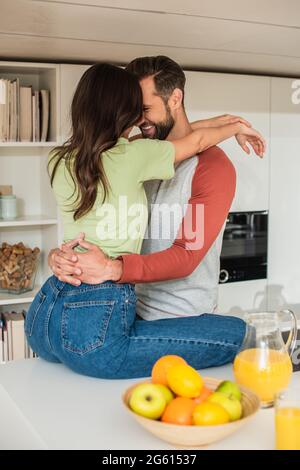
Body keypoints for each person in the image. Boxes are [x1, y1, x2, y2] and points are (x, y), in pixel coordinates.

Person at [26, 61, 265, 379]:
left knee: (242, 334)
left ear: (175, 99)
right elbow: (187, 140)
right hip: (110, 313)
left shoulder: (210, 169)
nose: (137, 120)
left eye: (143, 109)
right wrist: (62, 257)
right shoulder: (133, 151)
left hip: (172, 316)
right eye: (131, 111)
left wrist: (114, 267)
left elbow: (186, 255)